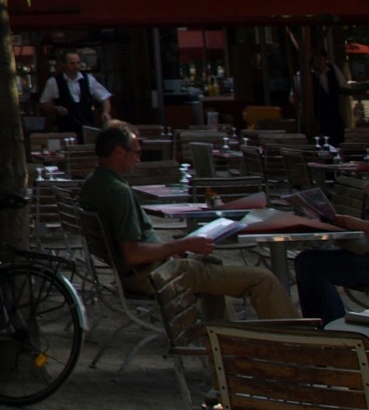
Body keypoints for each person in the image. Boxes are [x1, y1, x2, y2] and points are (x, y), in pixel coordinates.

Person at [78, 124, 296, 320]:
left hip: (136, 274)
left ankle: (225, 342)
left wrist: (176, 248)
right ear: (118, 152)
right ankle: (295, 348)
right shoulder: (119, 192)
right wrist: (182, 245)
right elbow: (133, 254)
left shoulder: (92, 184)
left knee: (211, 268)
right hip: (154, 275)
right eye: (136, 152)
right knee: (263, 279)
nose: (139, 158)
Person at [40, 50, 111, 139]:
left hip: (87, 127)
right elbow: (44, 103)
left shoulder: (88, 79)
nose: (76, 66)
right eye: (72, 64)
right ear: (64, 65)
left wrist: (105, 112)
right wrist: (56, 108)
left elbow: (105, 97)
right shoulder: (54, 82)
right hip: (65, 129)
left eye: (78, 63)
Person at [306, 52, 349, 147]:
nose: (320, 64)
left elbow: (343, 87)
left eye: (322, 61)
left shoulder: (332, 69)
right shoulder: (305, 76)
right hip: (317, 118)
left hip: (334, 115)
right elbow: (294, 98)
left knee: (338, 142)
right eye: (317, 62)